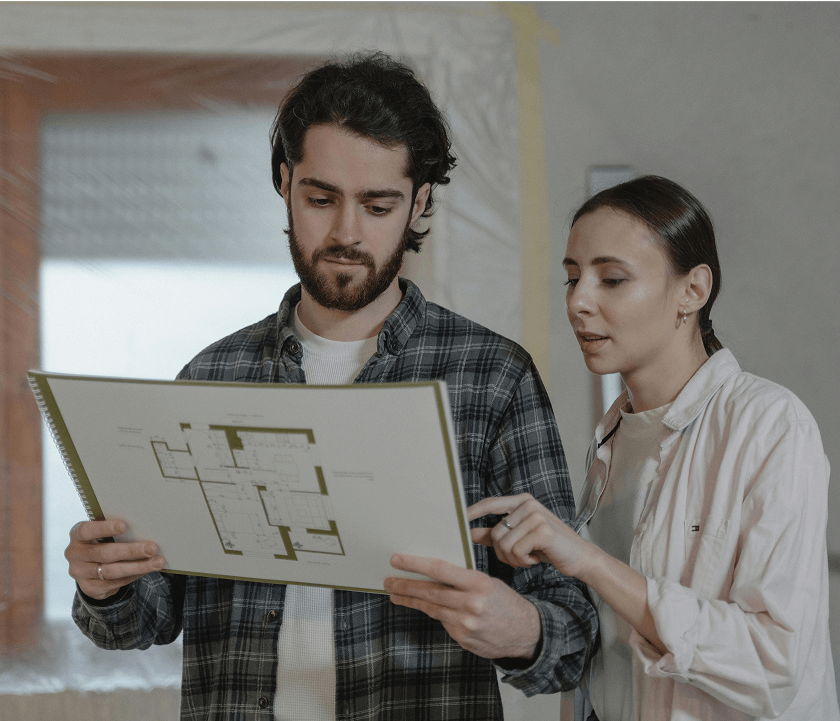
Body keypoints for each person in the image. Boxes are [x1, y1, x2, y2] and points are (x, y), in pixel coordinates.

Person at [65, 52, 597, 720]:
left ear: (419, 202)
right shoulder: (212, 375)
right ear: (284, 183)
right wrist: (105, 584)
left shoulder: (493, 377)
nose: (347, 233)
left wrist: (517, 627)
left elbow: (572, 635)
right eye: (321, 200)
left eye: (378, 206)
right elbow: (147, 619)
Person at [471, 176, 840, 721]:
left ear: (693, 290)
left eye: (612, 279)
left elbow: (773, 662)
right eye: (572, 278)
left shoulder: (769, 424)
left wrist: (590, 562)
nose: (578, 302)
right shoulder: (613, 436)